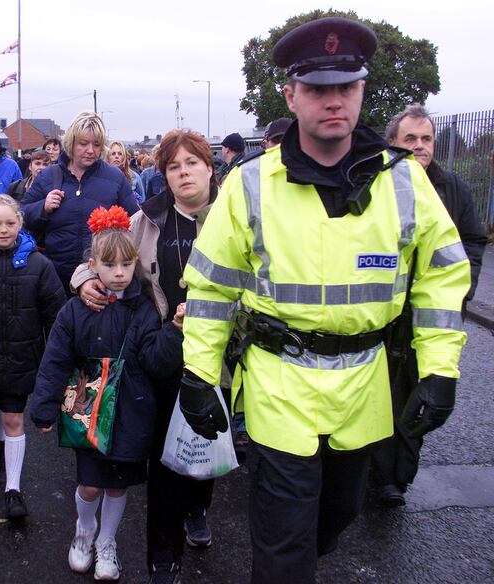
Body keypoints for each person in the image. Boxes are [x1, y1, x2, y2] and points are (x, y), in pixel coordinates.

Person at [177, 17, 470, 584]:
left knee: (337, 518)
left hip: (363, 389)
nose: (333, 101)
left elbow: (441, 275)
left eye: (346, 86)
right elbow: (213, 288)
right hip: (278, 386)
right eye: (317, 88)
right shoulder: (250, 182)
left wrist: (439, 369)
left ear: (363, 91)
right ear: (291, 94)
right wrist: (198, 373)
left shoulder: (405, 181)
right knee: (284, 552)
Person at [73, 129, 223, 583]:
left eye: (191, 163)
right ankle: (163, 554)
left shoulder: (229, 216)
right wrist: (83, 278)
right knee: (164, 459)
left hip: (219, 353)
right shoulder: (147, 219)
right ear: (164, 174)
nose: (183, 172)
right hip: (162, 352)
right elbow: (100, 253)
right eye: (174, 166)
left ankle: (198, 506)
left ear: (209, 167)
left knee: (209, 441)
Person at [31, 206, 183, 581]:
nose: (118, 273)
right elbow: (55, 358)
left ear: (136, 266)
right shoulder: (74, 310)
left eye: (126, 266)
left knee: (117, 485)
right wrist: (45, 406)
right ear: (92, 264)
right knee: (89, 482)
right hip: (89, 410)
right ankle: (84, 532)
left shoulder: (145, 310)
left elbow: (153, 359)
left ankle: (107, 542)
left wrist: (175, 332)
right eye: (110, 265)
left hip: (131, 409)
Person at [371, 103, 488, 506]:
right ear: (393, 143)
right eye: (411, 139)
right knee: (379, 394)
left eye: (426, 139)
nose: (420, 147)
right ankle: (373, 469)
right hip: (385, 313)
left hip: (430, 317)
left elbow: (472, 240)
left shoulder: (453, 187)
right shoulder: (376, 185)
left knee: (417, 396)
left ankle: (396, 478)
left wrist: (463, 287)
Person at [0, 195, 65, 519]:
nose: (3, 230)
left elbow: (56, 316)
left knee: (14, 416)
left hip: (23, 355)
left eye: (10, 223)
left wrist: (55, 359)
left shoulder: (39, 266)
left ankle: (12, 488)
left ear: (20, 223)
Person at [20, 112, 139, 292]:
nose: (90, 150)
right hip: (55, 277)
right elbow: (20, 214)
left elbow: (135, 221)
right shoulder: (48, 176)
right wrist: (42, 207)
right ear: (71, 142)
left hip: (101, 279)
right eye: (83, 144)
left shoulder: (115, 177)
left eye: (96, 144)